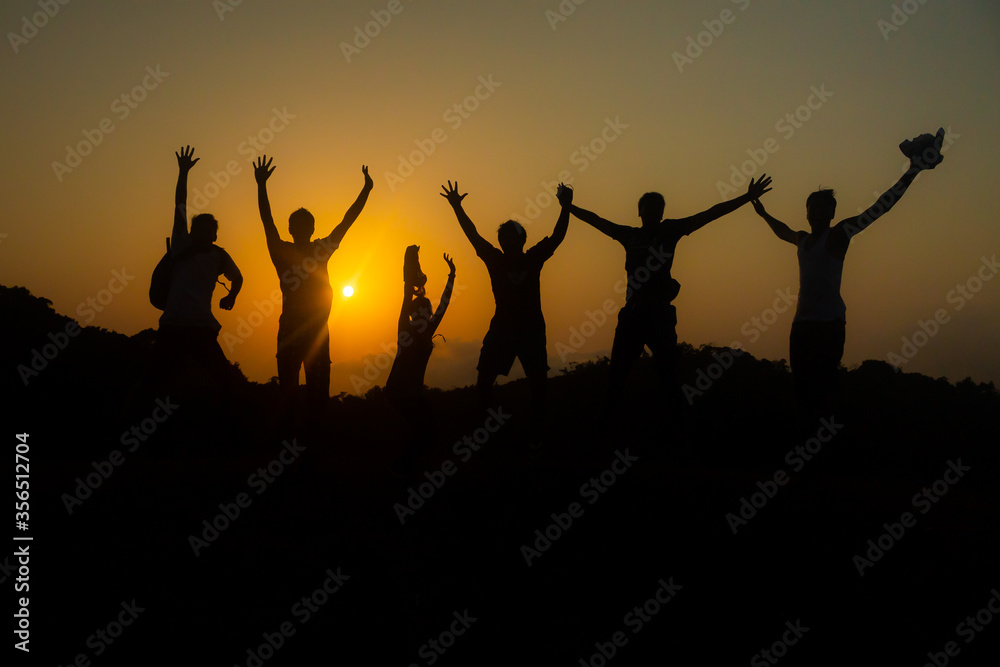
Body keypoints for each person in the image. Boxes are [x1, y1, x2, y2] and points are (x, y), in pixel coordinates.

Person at [750, 129, 944, 429]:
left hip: (829, 325)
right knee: (802, 388)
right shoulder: (803, 240)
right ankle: (806, 448)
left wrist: (912, 172)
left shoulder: (838, 234)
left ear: (832, 213)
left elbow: (880, 207)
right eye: (813, 208)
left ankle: (828, 446)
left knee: (825, 386)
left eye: (823, 208)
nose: (817, 212)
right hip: (802, 324)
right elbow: (782, 230)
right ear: (807, 212)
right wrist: (761, 211)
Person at [565, 175, 772, 427]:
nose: (652, 212)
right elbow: (597, 221)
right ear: (639, 212)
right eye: (648, 208)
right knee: (616, 376)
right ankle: (600, 431)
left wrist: (747, 197)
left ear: (662, 213)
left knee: (668, 377)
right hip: (632, 314)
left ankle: (679, 434)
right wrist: (569, 207)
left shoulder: (670, 230)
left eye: (657, 208)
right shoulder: (629, 236)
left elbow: (711, 213)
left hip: (659, 315)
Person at [440, 180, 572, 446]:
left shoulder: (531, 257)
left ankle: (536, 433)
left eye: (511, 238)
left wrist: (565, 207)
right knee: (485, 378)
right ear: (501, 242)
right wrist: (457, 208)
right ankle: (485, 432)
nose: (506, 242)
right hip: (503, 329)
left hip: (531, 329)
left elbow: (558, 236)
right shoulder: (496, 259)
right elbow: (473, 234)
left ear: (521, 240)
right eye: (504, 239)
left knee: (537, 381)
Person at [254, 155, 373, 417]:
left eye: (305, 224)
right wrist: (261, 186)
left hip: (316, 331)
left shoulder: (320, 249)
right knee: (289, 391)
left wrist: (366, 190)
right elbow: (267, 220)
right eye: (297, 224)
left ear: (311, 228)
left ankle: (311, 446)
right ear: (292, 228)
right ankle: (288, 444)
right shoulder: (282, 251)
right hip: (291, 329)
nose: (301, 228)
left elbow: (347, 220)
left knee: (317, 394)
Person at [156, 145, 243, 401]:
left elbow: (238, 278)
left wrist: (232, 297)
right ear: (192, 232)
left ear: (214, 235)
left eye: (209, 231)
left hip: (202, 329)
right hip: (172, 325)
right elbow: (180, 205)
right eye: (200, 230)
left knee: (225, 380)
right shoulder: (182, 244)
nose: (204, 235)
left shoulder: (219, 256)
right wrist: (183, 173)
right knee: (154, 382)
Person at [385, 248, 456, 477]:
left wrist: (451, 276)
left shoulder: (428, 330)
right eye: (424, 308)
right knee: (426, 430)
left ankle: (404, 465)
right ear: (415, 312)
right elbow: (407, 293)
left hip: (412, 391)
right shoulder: (404, 326)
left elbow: (444, 304)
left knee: (427, 431)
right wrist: (409, 261)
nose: (429, 310)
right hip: (398, 389)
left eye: (429, 308)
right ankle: (403, 467)